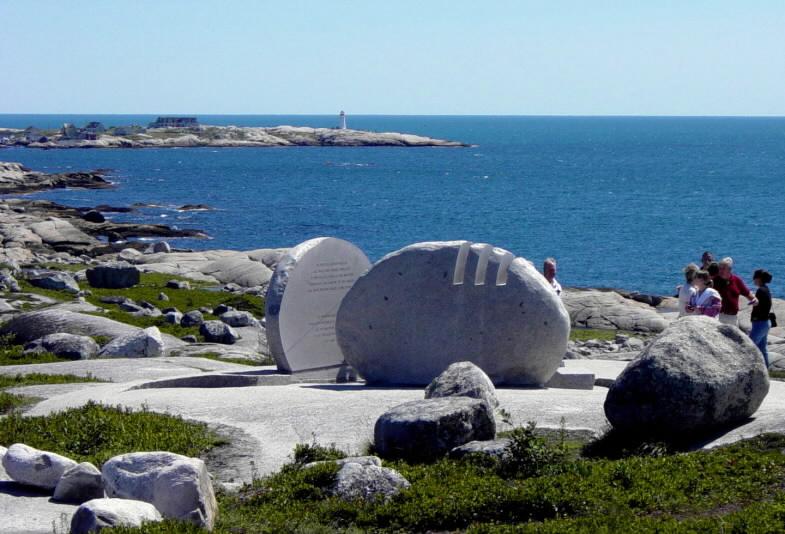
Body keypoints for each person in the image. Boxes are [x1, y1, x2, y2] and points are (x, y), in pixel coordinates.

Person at [715, 257, 757, 326]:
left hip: (732, 317)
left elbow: (748, 294)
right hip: (719, 316)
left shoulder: (736, 280)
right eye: (719, 268)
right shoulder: (714, 281)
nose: (720, 270)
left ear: (730, 269)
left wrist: (754, 300)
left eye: (723, 268)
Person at [749, 269, 773, 367]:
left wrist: (751, 302)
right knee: (762, 350)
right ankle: (766, 371)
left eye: (754, 277)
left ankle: (752, 371)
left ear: (758, 279)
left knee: (750, 347)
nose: (753, 280)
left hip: (759, 323)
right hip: (766, 322)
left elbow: (757, 304)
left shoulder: (760, 290)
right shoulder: (766, 289)